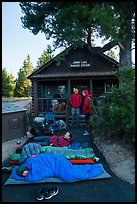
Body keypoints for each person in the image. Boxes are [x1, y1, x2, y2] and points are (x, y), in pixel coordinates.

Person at [11, 153, 103, 183]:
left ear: (25, 170)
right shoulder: (31, 160)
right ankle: (91, 167)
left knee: (69, 176)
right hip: (59, 160)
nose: (25, 175)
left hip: (57, 164)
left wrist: (27, 177)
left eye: (24, 174)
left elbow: (39, 175)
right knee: (74, 168)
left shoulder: (34, 169)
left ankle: (97, 169)